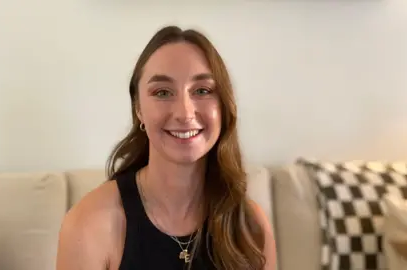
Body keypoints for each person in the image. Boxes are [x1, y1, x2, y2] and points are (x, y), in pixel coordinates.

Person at [56, 25, 277, 270]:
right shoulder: (89, 225)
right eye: (162, 92)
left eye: (202, 90)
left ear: (223, 105)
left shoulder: (250, 226)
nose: (184, 113)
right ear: (138, 108)